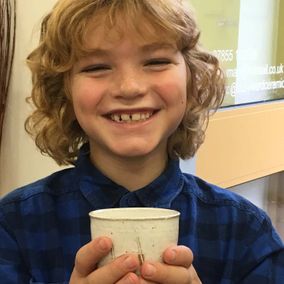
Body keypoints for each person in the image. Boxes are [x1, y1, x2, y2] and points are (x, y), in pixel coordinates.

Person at [0, 0, 283, 283]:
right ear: (64, 90)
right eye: (97, 67)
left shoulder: (244, 231)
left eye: (156, 61)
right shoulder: (14, 227)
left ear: (192, 77)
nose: (130, 87)